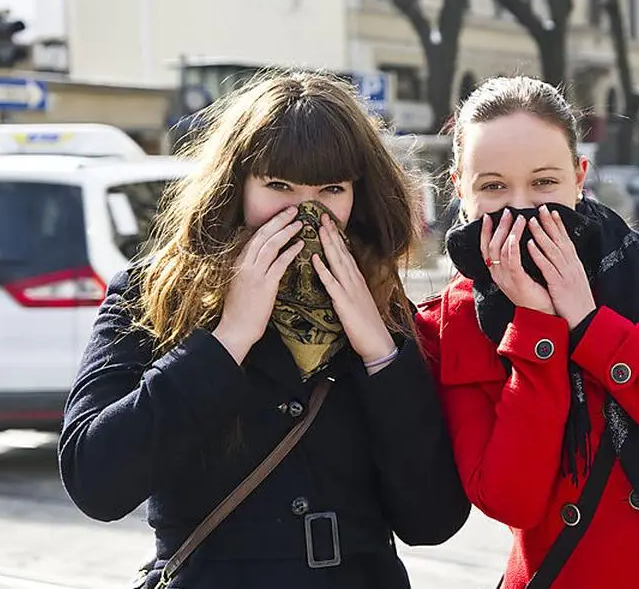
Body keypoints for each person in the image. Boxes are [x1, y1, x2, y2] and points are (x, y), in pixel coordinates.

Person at [59, 72, 470, 588]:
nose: (304, 213)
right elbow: (95, 481)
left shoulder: (383, 305)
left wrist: (380, 355)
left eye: (331, 189)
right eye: (278, 186)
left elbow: (433, 520)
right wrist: (228, 338)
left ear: (358, 197)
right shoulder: (154, 294)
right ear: (236, 188)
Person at [416, 76, 639, 588]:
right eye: (493, 187)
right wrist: (537, 330)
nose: (522, 207)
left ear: (579, 178)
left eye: (544, 183)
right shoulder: (455, 319)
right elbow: (511, 499)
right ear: (460, 189)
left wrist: (592, 326)